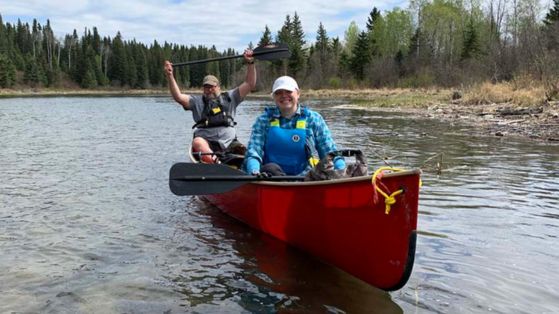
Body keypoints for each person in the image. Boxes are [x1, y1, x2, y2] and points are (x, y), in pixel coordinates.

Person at [164, 49, 256, 163]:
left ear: (218, 87)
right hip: (206, 142)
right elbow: (178, 96)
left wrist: (250, 63)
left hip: (229, 142)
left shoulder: (231, 97)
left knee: (242, 151)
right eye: (206, 87)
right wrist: (170, 75)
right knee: (197, 142)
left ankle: (245, 168)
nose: (209, 90)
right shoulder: (196, 102)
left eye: (212, 86)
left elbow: (250, 84)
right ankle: (214, 162)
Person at [243, 75, 345, 176]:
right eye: (278, 93)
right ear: (273, 97)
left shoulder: (314, 119)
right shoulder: (263, 120)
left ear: (298, 94)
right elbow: (254, 152)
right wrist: (254, 171)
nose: (284, 95)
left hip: (307, 179)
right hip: (271, 177)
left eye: (288, 91)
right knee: (270, 168)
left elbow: (329, 151)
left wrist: (341, 169)